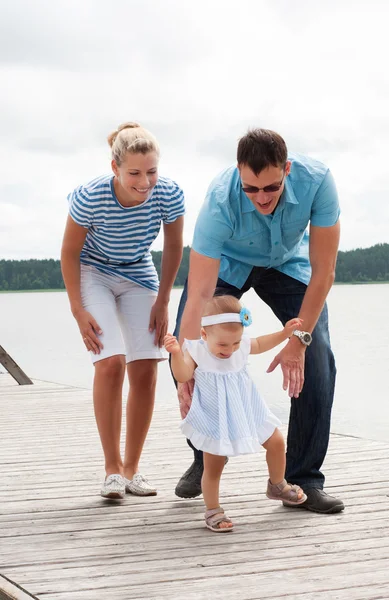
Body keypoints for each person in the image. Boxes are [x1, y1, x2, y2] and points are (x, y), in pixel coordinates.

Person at [172, 127, 344, 514]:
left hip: (288, 264)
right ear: (238, 174)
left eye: (271, 187)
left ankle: (301, 479)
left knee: (317, 358)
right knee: (188, 354)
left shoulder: (318, 182)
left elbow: (324, 271)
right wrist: (184, 371)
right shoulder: (220, 200)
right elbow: (200, 293)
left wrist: (298, 341)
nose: (261, 198)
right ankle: (205, 455)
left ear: (287, 169)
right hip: (229, 265)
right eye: (251, 189)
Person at [61, 122, 184, 499]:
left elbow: (175, 247)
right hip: (92, 270)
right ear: (115, 167)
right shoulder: (90, 196)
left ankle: (132, 470)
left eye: (151, 171)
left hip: (138, 273)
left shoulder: (170, 194)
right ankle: (112, 470)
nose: (144, 182)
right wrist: (78, 310)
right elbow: (68, 252)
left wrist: (163, 300)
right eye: (134, 173)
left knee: (146, 368)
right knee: (110, 362)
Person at [165, 295, 307, 532]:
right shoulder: (196, 350)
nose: (230, 350)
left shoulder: (238, 346)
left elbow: (261, 343)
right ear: (204, 334)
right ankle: (212, 509)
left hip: (248, 406)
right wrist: (176, 354)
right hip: (215, 415)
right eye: (222, 345)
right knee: (214, 463)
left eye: (235, 343)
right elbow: (182, 375)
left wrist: (284, 334)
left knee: (275, 441)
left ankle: (277, 484)